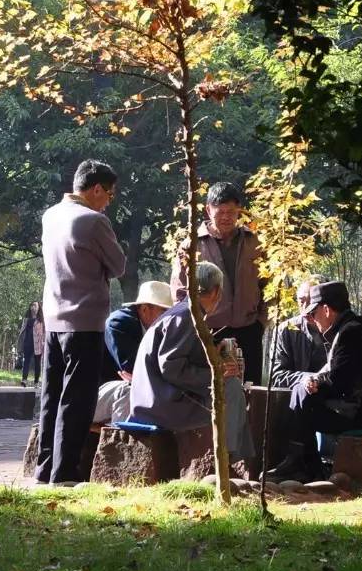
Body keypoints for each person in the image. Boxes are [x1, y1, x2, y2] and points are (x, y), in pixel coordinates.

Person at [36, 159, 126, 484]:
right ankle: (65, 474)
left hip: (54, 317)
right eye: (110, 195)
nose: (109, 201)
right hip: (85, 320)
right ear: (96, 189)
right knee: (78, 399)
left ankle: (44, 469)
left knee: (52, 395)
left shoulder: (51, 215)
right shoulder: (93, 221)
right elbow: (118, 265)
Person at [128, 261, 256, 461]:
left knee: (230, 387)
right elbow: (171, 367)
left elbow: (179, 356)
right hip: (160, 404)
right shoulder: (187, 316)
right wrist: (216, 374)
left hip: (157, 398)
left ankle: (235, 460)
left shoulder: (184, 312)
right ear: (215, 291)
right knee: (229, 388)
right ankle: (227, 459)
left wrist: (212, 353)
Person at [266, 280, 362, 481]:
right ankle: (305, 463)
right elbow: (333, 373)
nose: (312, 319)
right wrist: (312, 381)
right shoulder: (353, 327)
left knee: (303, 396)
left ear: (326, 310)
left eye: (314, 314)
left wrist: (314, 384)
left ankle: (304, 464)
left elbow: (338, 382)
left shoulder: (350, 333)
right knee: (302, 391)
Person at [170, 181, 267, 384]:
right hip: (209, 332)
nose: (225, 217)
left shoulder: (254, 243)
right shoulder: (192, 245)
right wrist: (196, 328)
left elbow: (268, 285)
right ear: (208, 210)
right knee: (214, 390)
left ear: (239, 211)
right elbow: (180, 292)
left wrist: (261, 322)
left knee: (250, 390)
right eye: (220, 211)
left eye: (231, 211)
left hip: (249, 329)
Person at [93, 280, 173, 424]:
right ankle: (119, 443)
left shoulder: (159, 331)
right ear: (144, 309)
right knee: (130, 390)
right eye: (164, 311)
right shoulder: (119, 323)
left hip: (113, 395)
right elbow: (134, 369)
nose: (169, 317)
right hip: (94, 397)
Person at [269, 276, 327, 390]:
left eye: (311, 301)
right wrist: (308, 379)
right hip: (294, 399)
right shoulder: (285, 331)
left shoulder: (338, 331)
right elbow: (276, 376)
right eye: (301, 301)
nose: (306, 307)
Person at [16, 301, 44, 387]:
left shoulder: (41, 320)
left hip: (38, 344)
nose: (33, 307)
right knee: (26, 362)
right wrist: (20, 344)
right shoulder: (26, 320)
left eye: (35, 305)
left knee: (37, 363)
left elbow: (44, 333)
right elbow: (22, 332)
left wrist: (44, 343)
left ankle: (36, 382)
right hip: (27, 343)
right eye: (32, 305)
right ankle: (24, 380)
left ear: (39, 308)